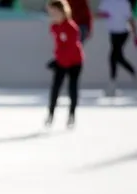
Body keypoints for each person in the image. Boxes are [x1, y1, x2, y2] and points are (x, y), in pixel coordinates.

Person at [46, 0, 84, 129]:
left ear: (63, 12)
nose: (53, 16)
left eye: (55, 12)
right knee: (55, 88)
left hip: (75, 61)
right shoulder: (54, 27)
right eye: (51, 13)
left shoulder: (72, 27)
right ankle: (50, 114)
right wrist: (57, 59)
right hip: (62, 61)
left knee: (72, 88)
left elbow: (71, 49)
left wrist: (58, 61)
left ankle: (71, 115)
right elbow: (59, 46)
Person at [98, 0, 137, 96]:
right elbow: (99, 14)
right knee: (117, 56)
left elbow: (130, 19)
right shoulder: (106, 2)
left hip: (123, 32)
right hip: (113, 33)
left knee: (113, 56)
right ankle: (132, 73)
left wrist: (135, 35)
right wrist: (103, 15)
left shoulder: (124, 3)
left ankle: (113, 82)